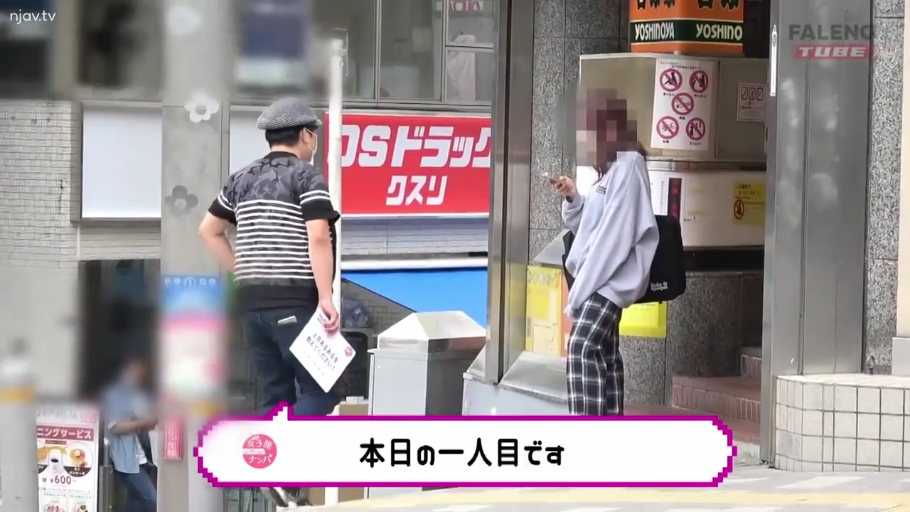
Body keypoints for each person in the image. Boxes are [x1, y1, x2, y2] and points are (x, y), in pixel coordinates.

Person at [198, 97, 342, 507]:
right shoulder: (306, 176)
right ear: (307, 135)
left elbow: (208, 230)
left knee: (276, 395)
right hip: (294, 300)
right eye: (314, 135)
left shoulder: (241, 178)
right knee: (323, 389)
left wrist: (242, 272)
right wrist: (326, 296)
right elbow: (318, 236)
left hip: (252, 304)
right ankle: (280, 467)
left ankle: (279, 481)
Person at [552, 91, 659, 416]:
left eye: (589, 128)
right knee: (606, 356)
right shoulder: (612, 168)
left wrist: (579, 292)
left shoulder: (629, 164)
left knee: (582, 347)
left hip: (607, 282)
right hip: (601, 279)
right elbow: (591, 227)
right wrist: (574, 198)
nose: (586, 137)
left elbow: (613, 238)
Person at [102, 353, 157, 512]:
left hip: (146, 457)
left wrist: (147, 421)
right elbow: (115, 426)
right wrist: (143, 422)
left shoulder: (140, 394)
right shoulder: (115, 395)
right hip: (126, 459)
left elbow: (145, 421)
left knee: (138, 498)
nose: (139, 375)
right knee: (151, 499)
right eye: (135, 370)